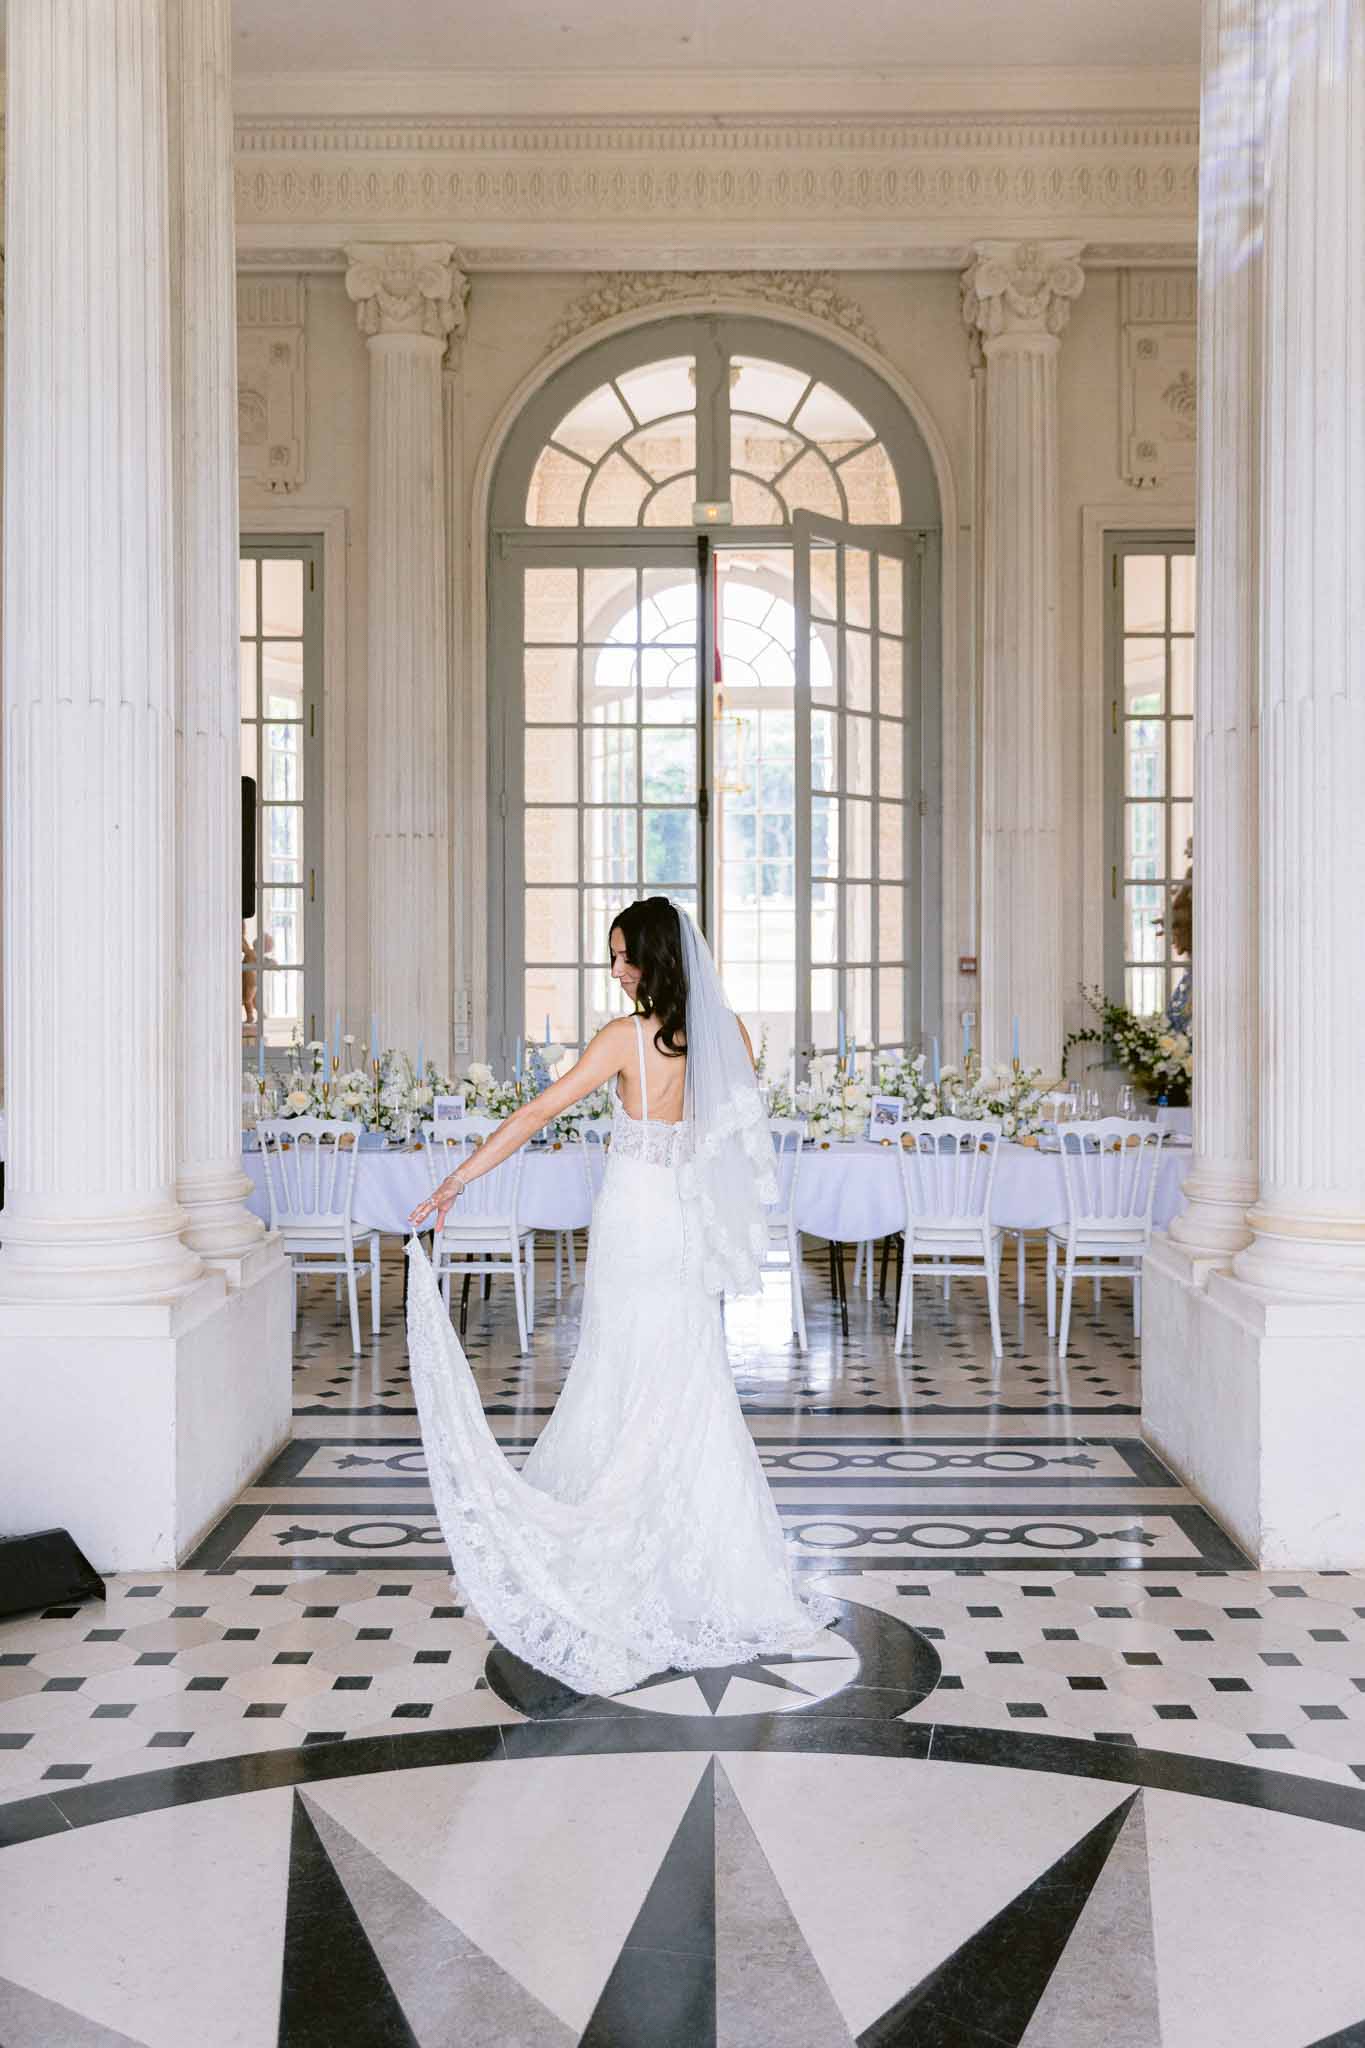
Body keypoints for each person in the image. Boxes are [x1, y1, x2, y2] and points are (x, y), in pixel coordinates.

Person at [405, 895, 837, 1698]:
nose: (612, 970)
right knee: (685, 1374)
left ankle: (611, 1542)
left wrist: (456, 1179)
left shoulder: (623, 1039)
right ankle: (702, 1560)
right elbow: (730, 1143)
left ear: (653, 957)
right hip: (681, 1223)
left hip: (634, 1217)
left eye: (620, 956)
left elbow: (538, 1111)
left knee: (619, 1366)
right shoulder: (729, 1034)